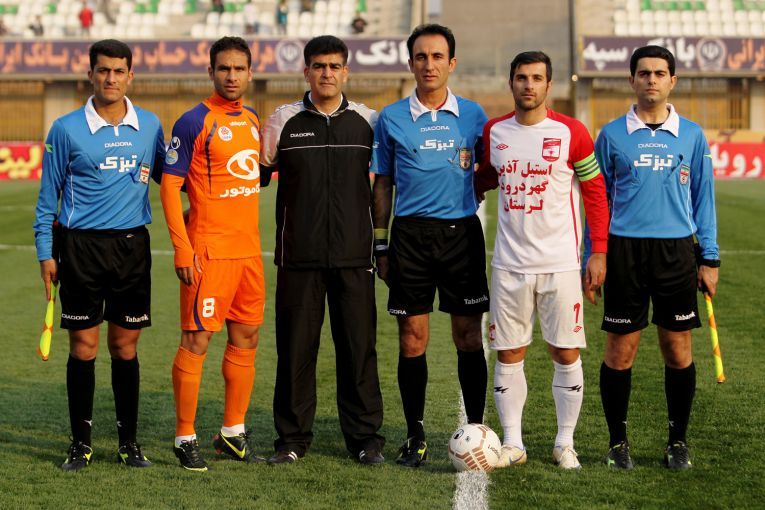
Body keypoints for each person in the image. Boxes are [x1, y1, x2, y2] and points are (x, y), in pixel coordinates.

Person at [33, 39, 165, 471]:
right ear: (90, 74)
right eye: (103, 70)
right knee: (84, 347)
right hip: (80, 249)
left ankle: (129, 444)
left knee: (125, 348)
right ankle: (81, 444)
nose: (111, 78)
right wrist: (45, 253)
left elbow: (171, 178)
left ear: (131, 75)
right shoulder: (65, 128)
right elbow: (47, 198)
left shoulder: (150, 125)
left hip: (131, 247)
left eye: (119, 71)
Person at [474, 51, 609, 470]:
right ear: (511, 83)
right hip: (509, 264)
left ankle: (564, 442)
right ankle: (513, 442)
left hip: (561, 264)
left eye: (536, 78)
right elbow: (487, 177)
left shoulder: (572, 132)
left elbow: (595, 191)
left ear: (549, 85)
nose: (528, 85)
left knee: (565, 352)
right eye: (521, 78)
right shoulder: (495, 131)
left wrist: (598, 251)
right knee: (508, 352)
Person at [592, 45, 719, 470]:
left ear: (672, 81)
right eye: (644, 73)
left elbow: (704, 198)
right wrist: (596, 254)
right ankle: (617, 444)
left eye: (660, 73)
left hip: (676, 251)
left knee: (677, 348)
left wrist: (710, 258)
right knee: (620, 350)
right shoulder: (611, 135)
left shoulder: (692, 135)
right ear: (631, 80)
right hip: (625, 251)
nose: (651, 80)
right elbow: (598, 202)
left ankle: (677, 442)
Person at [260, 35, 385, 466]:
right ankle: (291, 440)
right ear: (306, 71)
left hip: (355, 257)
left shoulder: (368, 122)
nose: (326, 73)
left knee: (358, 350)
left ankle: (365, 440)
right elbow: (250, 175)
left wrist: (382, 242)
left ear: (346, 72)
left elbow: (386, 184)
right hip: (298, 258)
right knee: (295, 352)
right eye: (319, 66)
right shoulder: (283, 121)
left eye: (334, 66)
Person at [372, 24, 489, 468]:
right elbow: (382, 183)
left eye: (437, 56)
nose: (429, 64)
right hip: (410, 238)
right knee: (412, 337)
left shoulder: (474, 115)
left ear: (451, 63)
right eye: (421, 56)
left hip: (461, 236)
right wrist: (381, 245)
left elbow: (489, 167)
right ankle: (415, 433)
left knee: (468, 335)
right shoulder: (391, 117)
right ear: (410, 63)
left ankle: (476, 428)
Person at [161, 36, 265, 472]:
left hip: (249, 253)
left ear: (250, 73)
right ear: (211, 72)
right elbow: (170, 188)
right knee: (197, 340)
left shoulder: (253, 119)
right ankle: (184, 436)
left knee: (247, 338)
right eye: (224, 68)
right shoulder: (193, 121)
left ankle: (232, 433)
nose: (231, 76)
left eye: (239, 68)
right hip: (209, 253)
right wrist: (182, 248)